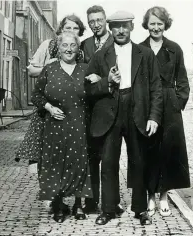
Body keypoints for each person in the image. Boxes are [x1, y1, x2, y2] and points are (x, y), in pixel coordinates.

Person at [85, 10, 163, 226]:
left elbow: (156, 88)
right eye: (116, 26)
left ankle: (140, 209)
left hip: (137, 110)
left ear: (132, 27)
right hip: (110, 110)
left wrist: (154, 116)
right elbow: (88, 89)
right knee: (108, 161)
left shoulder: (145, 54)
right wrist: (107, 82)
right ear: (110, 29)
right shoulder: (100, 56)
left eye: (125, 25)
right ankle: (109, 209)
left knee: (138, 161)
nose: (120, 30)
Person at [16, 14, 86, 216]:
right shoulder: (48, 45)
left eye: (75, 29)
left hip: (68, 112)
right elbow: (30, 69)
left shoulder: (77, 51)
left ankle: (65, 198)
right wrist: (51, 68)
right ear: (60, 29)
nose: (70, 32)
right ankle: (51, 197)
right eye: (67, 27)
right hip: (46, 108)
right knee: (46, 155)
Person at [31, 31, 93, 223]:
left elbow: (95, 94)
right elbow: (36, 95)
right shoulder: (50, 69)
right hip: (54, 126)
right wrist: (49, 107)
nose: (68, 49)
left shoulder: (85, 69)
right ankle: (58, 205)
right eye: (64, 45)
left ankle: (77, 204)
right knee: (55, 163)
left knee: (78, 162)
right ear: (58, 48)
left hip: (78, 123)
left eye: (72, 45)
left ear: (78, 49)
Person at [140, 6, 190, 217]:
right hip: (147, 104)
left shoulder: (174, 49)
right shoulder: (139, 48)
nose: (156, 27)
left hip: (169, 106)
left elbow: (183, 81)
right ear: (146, 25)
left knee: (168, 151)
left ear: (165, 25)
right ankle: (150, 195)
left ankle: (163, 196)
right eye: (152, 23)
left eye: (160, 23)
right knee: (149, 150)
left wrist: (177, 103)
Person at [80, 5, 114, 214]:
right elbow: (82, 79)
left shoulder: (117, 42)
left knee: (111, 159)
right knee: (92, 158)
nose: (96, 25)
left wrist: (101, 81)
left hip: (112, 107)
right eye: (91, 22)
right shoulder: (85, 45)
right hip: (92, 109)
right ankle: (92, 202)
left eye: (99, 20)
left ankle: (112, 202)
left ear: (106, 19)